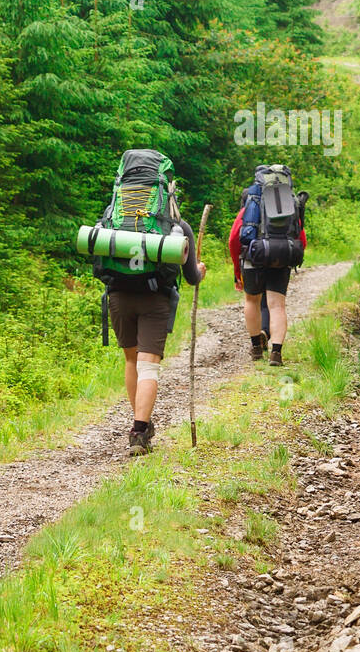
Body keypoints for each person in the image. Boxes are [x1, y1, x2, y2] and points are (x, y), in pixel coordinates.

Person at [108, 221, 206, 456]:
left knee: (132, 360)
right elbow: (191, 276)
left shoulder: (115, 217)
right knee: (148, 365)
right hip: (155, 297)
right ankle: (140, 432)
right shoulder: (178, 226)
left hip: (119, 295)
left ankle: (140, 423)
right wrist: (200, 272)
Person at [229, 186, 307, 367]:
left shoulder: (250, 207)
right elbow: (301, 239)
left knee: (252, 301)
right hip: (282, 257)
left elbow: (234, 239)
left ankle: (256, 348)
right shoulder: (288, 207)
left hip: (253, 257)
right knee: (277, 305)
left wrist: (237, 271)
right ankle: (276, 353)